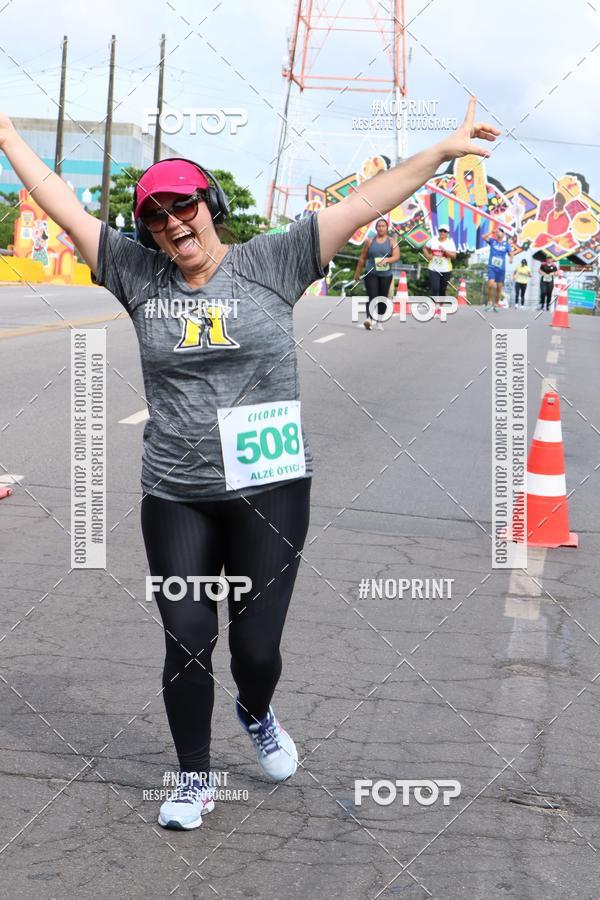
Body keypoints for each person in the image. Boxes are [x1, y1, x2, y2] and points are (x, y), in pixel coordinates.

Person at [0, 96, 499, 830]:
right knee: (187, 636)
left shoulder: (274, 260)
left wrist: (442, 151)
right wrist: (9, 137)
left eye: (184, 207)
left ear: (212, 206)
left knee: (255, 648)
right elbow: (61, 201)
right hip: (177, 495)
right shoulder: (138, 275)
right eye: (155, 217)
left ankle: (257, 711)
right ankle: (193, 779)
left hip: (271, 488)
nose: (172, 224)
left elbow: (364, 203)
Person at [353, 218, 400, 330]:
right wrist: (357, 273)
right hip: (371, 272)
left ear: (387, 228)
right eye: (379, 226)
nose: (381, 228)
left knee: (382, 297)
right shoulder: (369, 241)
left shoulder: (391, 242)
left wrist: (387, 260)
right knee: (372, 295)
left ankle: (379, 320)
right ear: (376, 228)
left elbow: (396, 256)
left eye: (383, 226)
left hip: (386, 274)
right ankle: (369, 319)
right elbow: (363, 258)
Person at [482, 224, 513, 311]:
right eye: (498, 230)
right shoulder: (493, 241)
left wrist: (511, 258)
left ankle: (496, 303)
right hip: (492, 266)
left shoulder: (506, 244)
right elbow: (483, 237)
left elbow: (511, 253)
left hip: (501, 269)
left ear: (503, 234)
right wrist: (491, 232)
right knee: (491, 284)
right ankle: (489, 302)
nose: (498, 232)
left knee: (499, 288)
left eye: (501, 231)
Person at [423, 224, 457, 296]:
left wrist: (445, 251)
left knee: (442, 289)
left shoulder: (450, 243)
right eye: (441, 231)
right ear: (438, 232)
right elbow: (425, 248)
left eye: (445, 231)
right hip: (433, 268)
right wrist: (428, 256)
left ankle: (441, 304)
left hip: (446, 269)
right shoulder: (433, 240)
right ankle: (435, 305)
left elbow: (454, 256)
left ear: (447, 233)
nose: (442, 233)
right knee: (435, 288)